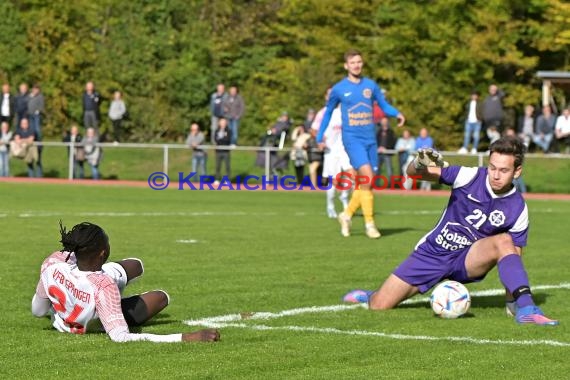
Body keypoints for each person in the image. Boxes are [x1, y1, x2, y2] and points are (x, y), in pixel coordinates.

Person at [343, 136, 558, 326]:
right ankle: (374, 295)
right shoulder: (468, 176)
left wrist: (512, 302)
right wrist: (419, 162)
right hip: (433, 253)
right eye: (492, 167)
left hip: (468, 260)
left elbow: (514, 255)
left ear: (517, 171)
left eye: (504, 170)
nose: (495, 175)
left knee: (503, 241)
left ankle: (528, 309)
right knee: (380, 305)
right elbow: (414, 174)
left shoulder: (518, 208)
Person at [31, 221, 221, 342]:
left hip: (77, 301)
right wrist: (186, 337)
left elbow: (38, 310)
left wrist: (68, 302)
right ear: (103, 253)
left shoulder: (53, 263)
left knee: (136, 265)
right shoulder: (104, 285)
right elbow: (121, 337)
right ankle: (105, 290)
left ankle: (100, 275)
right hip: (96, 312)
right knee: (161, 297)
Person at [316, 49, 405, 239]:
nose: (356, 65)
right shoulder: (339, 89)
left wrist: (396, 113)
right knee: (368, 177)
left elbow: (383, 105)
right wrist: (319, 136)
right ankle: (370, 224)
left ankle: (346, 215)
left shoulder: (370, 86)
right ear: (346, 66)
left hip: (370, 140)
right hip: (352, 139)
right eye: (353, 62)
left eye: (359, 62)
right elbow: (328, 113)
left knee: (365, 183)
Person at [321, 103, 351, 218]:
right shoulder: (328, 113)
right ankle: (330, 206)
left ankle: (344, 197)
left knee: (351, 177)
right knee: (333, 181)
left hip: (346, 151)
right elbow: (318, 130)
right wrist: (320, 140)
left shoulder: (351, 113)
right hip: (332, 152)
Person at [376, 117, 396, 187]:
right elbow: (375, 141)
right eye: (383, 121)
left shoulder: (391, 132)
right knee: (377, 169)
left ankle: (390, 185)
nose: (384, 122)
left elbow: (393, 142)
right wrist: (378, 148)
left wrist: (386, 148)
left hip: (387, 153)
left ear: (387, 122)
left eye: (385, 121)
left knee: (389, 169)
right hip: (379, 153)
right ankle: (377, 185)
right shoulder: (378, 132)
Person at [214, 117, 231, 182]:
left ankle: (227, 180)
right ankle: (217, 179)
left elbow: (227, 140)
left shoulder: (228, 131)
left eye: (224, 122)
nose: (223, 124)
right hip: (218, 151)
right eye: (221, 122)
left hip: (226, 151)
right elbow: (216, 139)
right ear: (219, 123)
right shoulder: (217, 131)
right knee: (218, 166)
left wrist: (221, 139)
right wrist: (221, 140)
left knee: (227, 166)